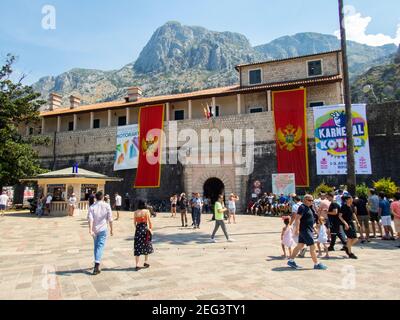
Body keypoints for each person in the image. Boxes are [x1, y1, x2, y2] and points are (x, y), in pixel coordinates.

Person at [287, 194, 327, 270]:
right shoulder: (302, 207)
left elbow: (315, 216)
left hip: (307, 229)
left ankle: (291, 261)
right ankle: (316, 264)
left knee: (300, 245)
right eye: (309, 200)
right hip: (305, 230)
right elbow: (297, 219)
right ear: (305, 200)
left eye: (312, 200)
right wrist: (297, 229)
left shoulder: (309, 207)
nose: (311, 202)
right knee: (312, 246)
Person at [87, 191, 113, 275]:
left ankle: (96, 263)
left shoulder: (92, 207)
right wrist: (112, 229)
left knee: (96, 246)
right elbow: (110, 219)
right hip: (103, 228)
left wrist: (90, 229)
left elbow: (90, 219)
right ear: (102, 197)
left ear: (95, 198)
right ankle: (96, 265)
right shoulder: (106, 205)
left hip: (94, 229)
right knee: (100, 246)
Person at [133, 199, 154, 271]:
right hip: (145, 229)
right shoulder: (146, 211)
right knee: (146, 245)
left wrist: (137, 228)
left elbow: (134, 223)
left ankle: (137, 265)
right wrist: (151, 229)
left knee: (137, 247)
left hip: (138, 230)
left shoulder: (135, 212)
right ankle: (145, 262)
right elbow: (149, 222)